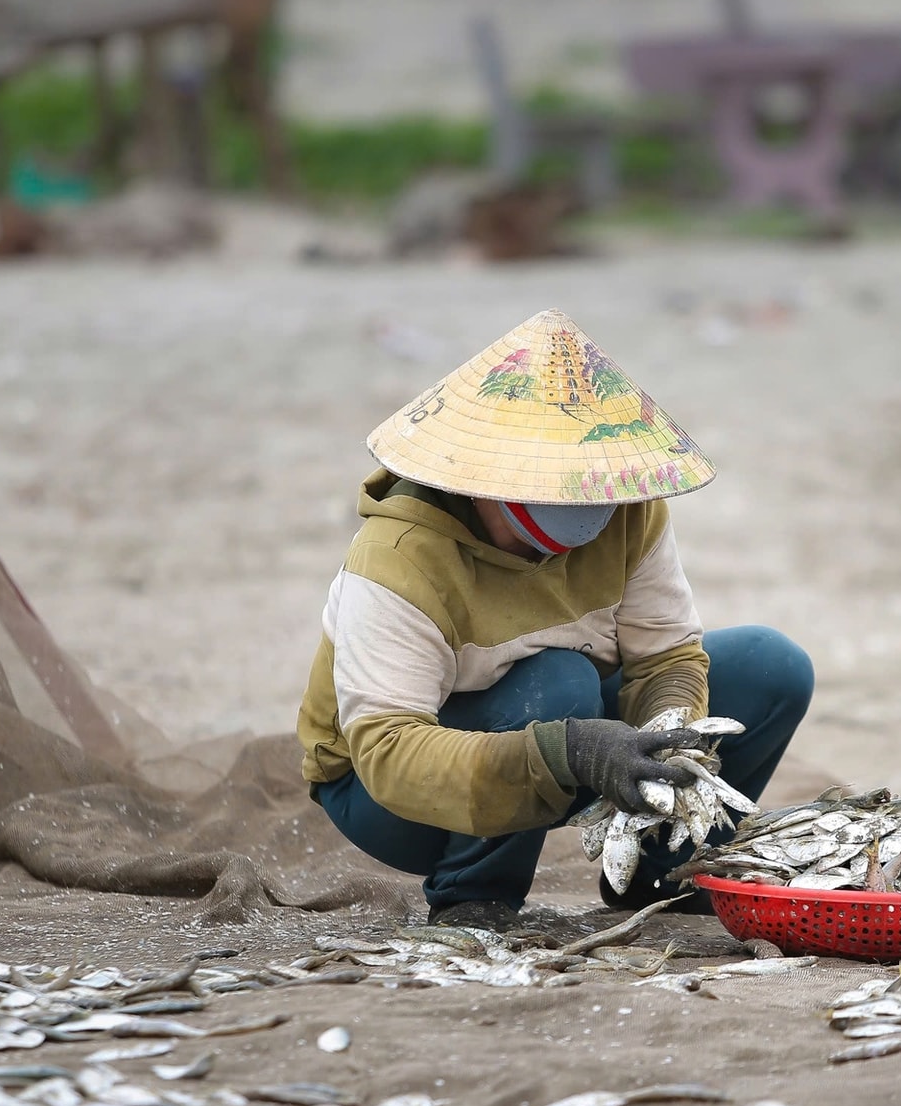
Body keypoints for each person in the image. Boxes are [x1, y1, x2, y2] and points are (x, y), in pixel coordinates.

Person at [297, 309, 812, 930]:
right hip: (389, 798)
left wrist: (669, 738)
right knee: (558, 681)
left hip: (572, 739)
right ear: (479, 484)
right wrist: (570, 751)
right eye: (533, 537)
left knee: (770, 665)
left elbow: (667, 657)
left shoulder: (625, 509)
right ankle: (474, 890)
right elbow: (390, 754)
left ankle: (661, 867)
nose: (554, 559)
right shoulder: (398, 557)